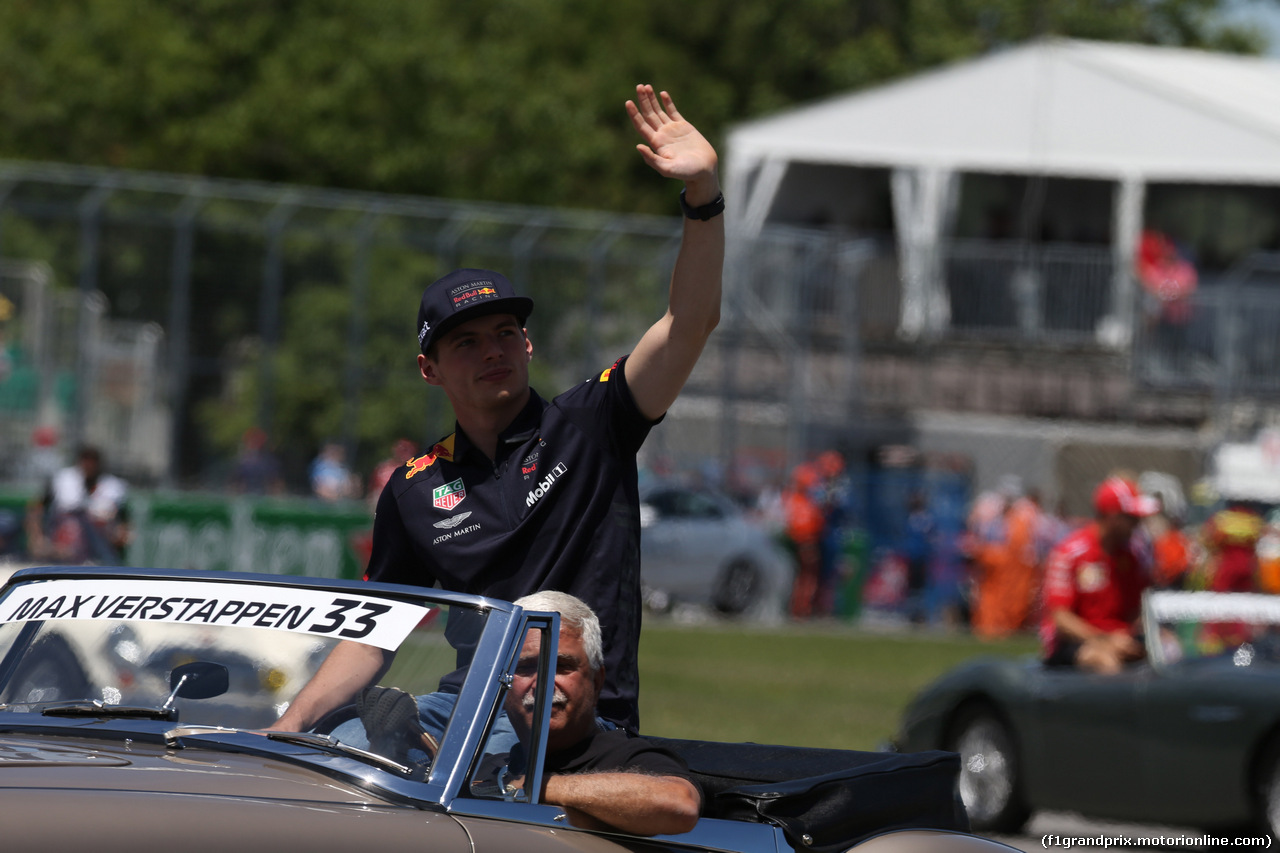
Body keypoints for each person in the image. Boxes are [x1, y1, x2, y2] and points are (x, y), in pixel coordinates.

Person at [271, 83, 723, 738]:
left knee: (437, 753)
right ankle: (405, 744)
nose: (493, 351)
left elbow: (690, 322)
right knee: (335, 752)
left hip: (568, 717)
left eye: (506, 332)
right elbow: (375, 632)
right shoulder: (414, 488)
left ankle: (417, 748)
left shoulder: (594, 421)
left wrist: (703, 198)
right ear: (430, 369)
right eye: (467, 341)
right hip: (460, 707)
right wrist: (292, 723)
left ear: (529, 343)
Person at [470, 591, 701, 835]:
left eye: (561, 666)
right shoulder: (484, 770)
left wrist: (535, 787)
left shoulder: (632, 760)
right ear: (502, 684)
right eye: (525, 667)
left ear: (597, 681)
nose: (542, 684)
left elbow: (679, 805)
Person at [1040, 476, 1157, 675]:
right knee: (1105, 661)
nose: (1138, 524)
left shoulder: (1135, 555)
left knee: (1172, 655)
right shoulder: (1070, 553)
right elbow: (1061, 618)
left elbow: (1139, 609)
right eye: (1131, 518)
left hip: (1122, 638)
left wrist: (1148, 637)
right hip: (1075, 642)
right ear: (1112, 516)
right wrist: (1106, 639)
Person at [25, 444, 131, 563]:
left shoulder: (113, 487)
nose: (89, 465)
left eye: (93, 460)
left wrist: (120, 535)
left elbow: (124, 526)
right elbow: (36, 507)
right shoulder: (63, 480)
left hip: (99, 553)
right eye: (86, 459)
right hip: (61, 549)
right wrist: (36, 538)